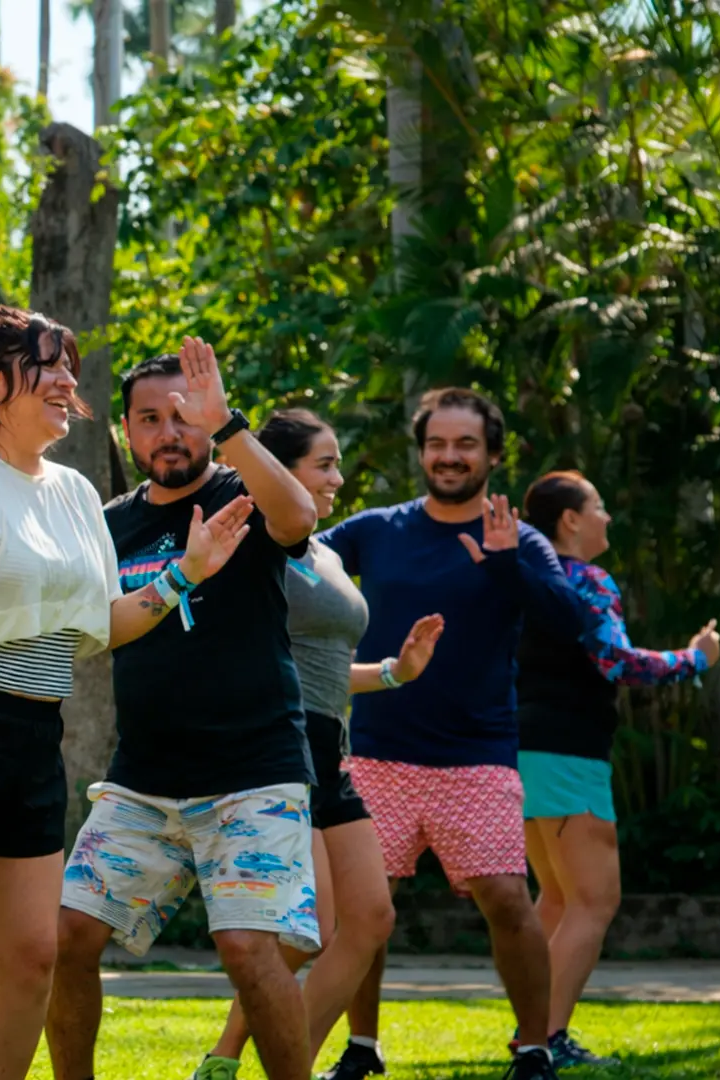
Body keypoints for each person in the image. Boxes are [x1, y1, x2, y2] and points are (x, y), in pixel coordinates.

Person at [0, 312, 257, 1080]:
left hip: (33, 733)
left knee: (34, 954)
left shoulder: (75, 491)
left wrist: (185, 576)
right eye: (51, 366)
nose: (71, 383)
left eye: (72, 366)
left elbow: (102, 626)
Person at [46, 345, 324, 1080]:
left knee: (247, 949)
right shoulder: (109, 526)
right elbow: (85, 629)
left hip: (254, 772)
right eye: (149, 419)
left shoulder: (244, 491)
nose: (169, 432)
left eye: (183, 416)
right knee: (66, 936)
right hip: (143, 778)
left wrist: (227, 422)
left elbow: (299, 516)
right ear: (128, 434)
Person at [315, 388, 597, 1080]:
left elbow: (571, 621)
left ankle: (534, 1048)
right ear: (422, 452)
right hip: (380, 749)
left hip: (477, 755)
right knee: (365, 907)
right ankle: (362, 1047)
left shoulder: (520, 540)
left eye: (465, 444)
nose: (448, 456)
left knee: (506, 897)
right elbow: (297, 561)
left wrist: (507, 564)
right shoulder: (377, 530)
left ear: (493, 455)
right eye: (436, 444)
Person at [192, 410, 447, 1080]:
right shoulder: (257, 544)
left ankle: (277, 1060)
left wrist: (397, 672)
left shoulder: (328, 555)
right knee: (309, 929)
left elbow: (327, 666)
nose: (337, 477)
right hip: (280, 741)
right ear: (283, 472)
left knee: (370, 918)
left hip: (331, 744)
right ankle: (232, 1061)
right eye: (324, 464)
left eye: (337, 463)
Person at [515, 471, 720, 1069]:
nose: (607, 517)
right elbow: (617, 662)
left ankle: (534, 1036)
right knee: (595, 900)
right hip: (569, 752)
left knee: (555, 897)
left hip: (524, 749)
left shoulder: (528, 578)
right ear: (571, 520)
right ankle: (545, 1042)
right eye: (599, 506)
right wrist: (695, 659)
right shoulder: (586, 579)